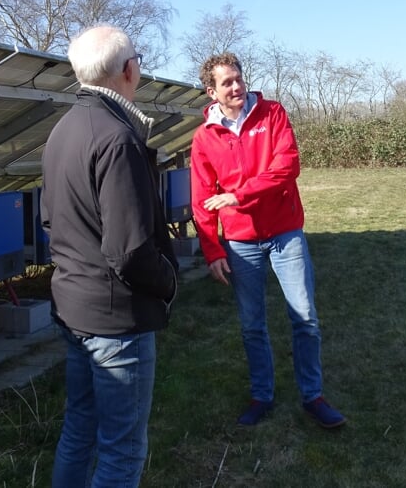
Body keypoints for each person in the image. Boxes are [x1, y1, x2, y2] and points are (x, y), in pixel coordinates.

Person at [40, 24, 178, 488]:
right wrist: (170, 283)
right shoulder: (117, 138)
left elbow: (49, 222)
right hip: (116, 323)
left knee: (79, 431)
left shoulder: (62, 131)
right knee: (122, 452)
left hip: (74, 309)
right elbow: (131, 251)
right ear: (129, 70)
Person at [189, 52, 346, 429]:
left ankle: (313, 396)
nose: (237, 86)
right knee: (252, 325)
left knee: (305, 317)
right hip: (241, 243)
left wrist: (239, 194)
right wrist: (212, 250)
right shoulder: (204, 137)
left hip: (284, 233)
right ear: (212, 91)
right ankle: (262, 395)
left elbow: (287, 166)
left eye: (239, 78)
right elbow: (200, 198)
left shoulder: (272, 113)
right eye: (226, 82)